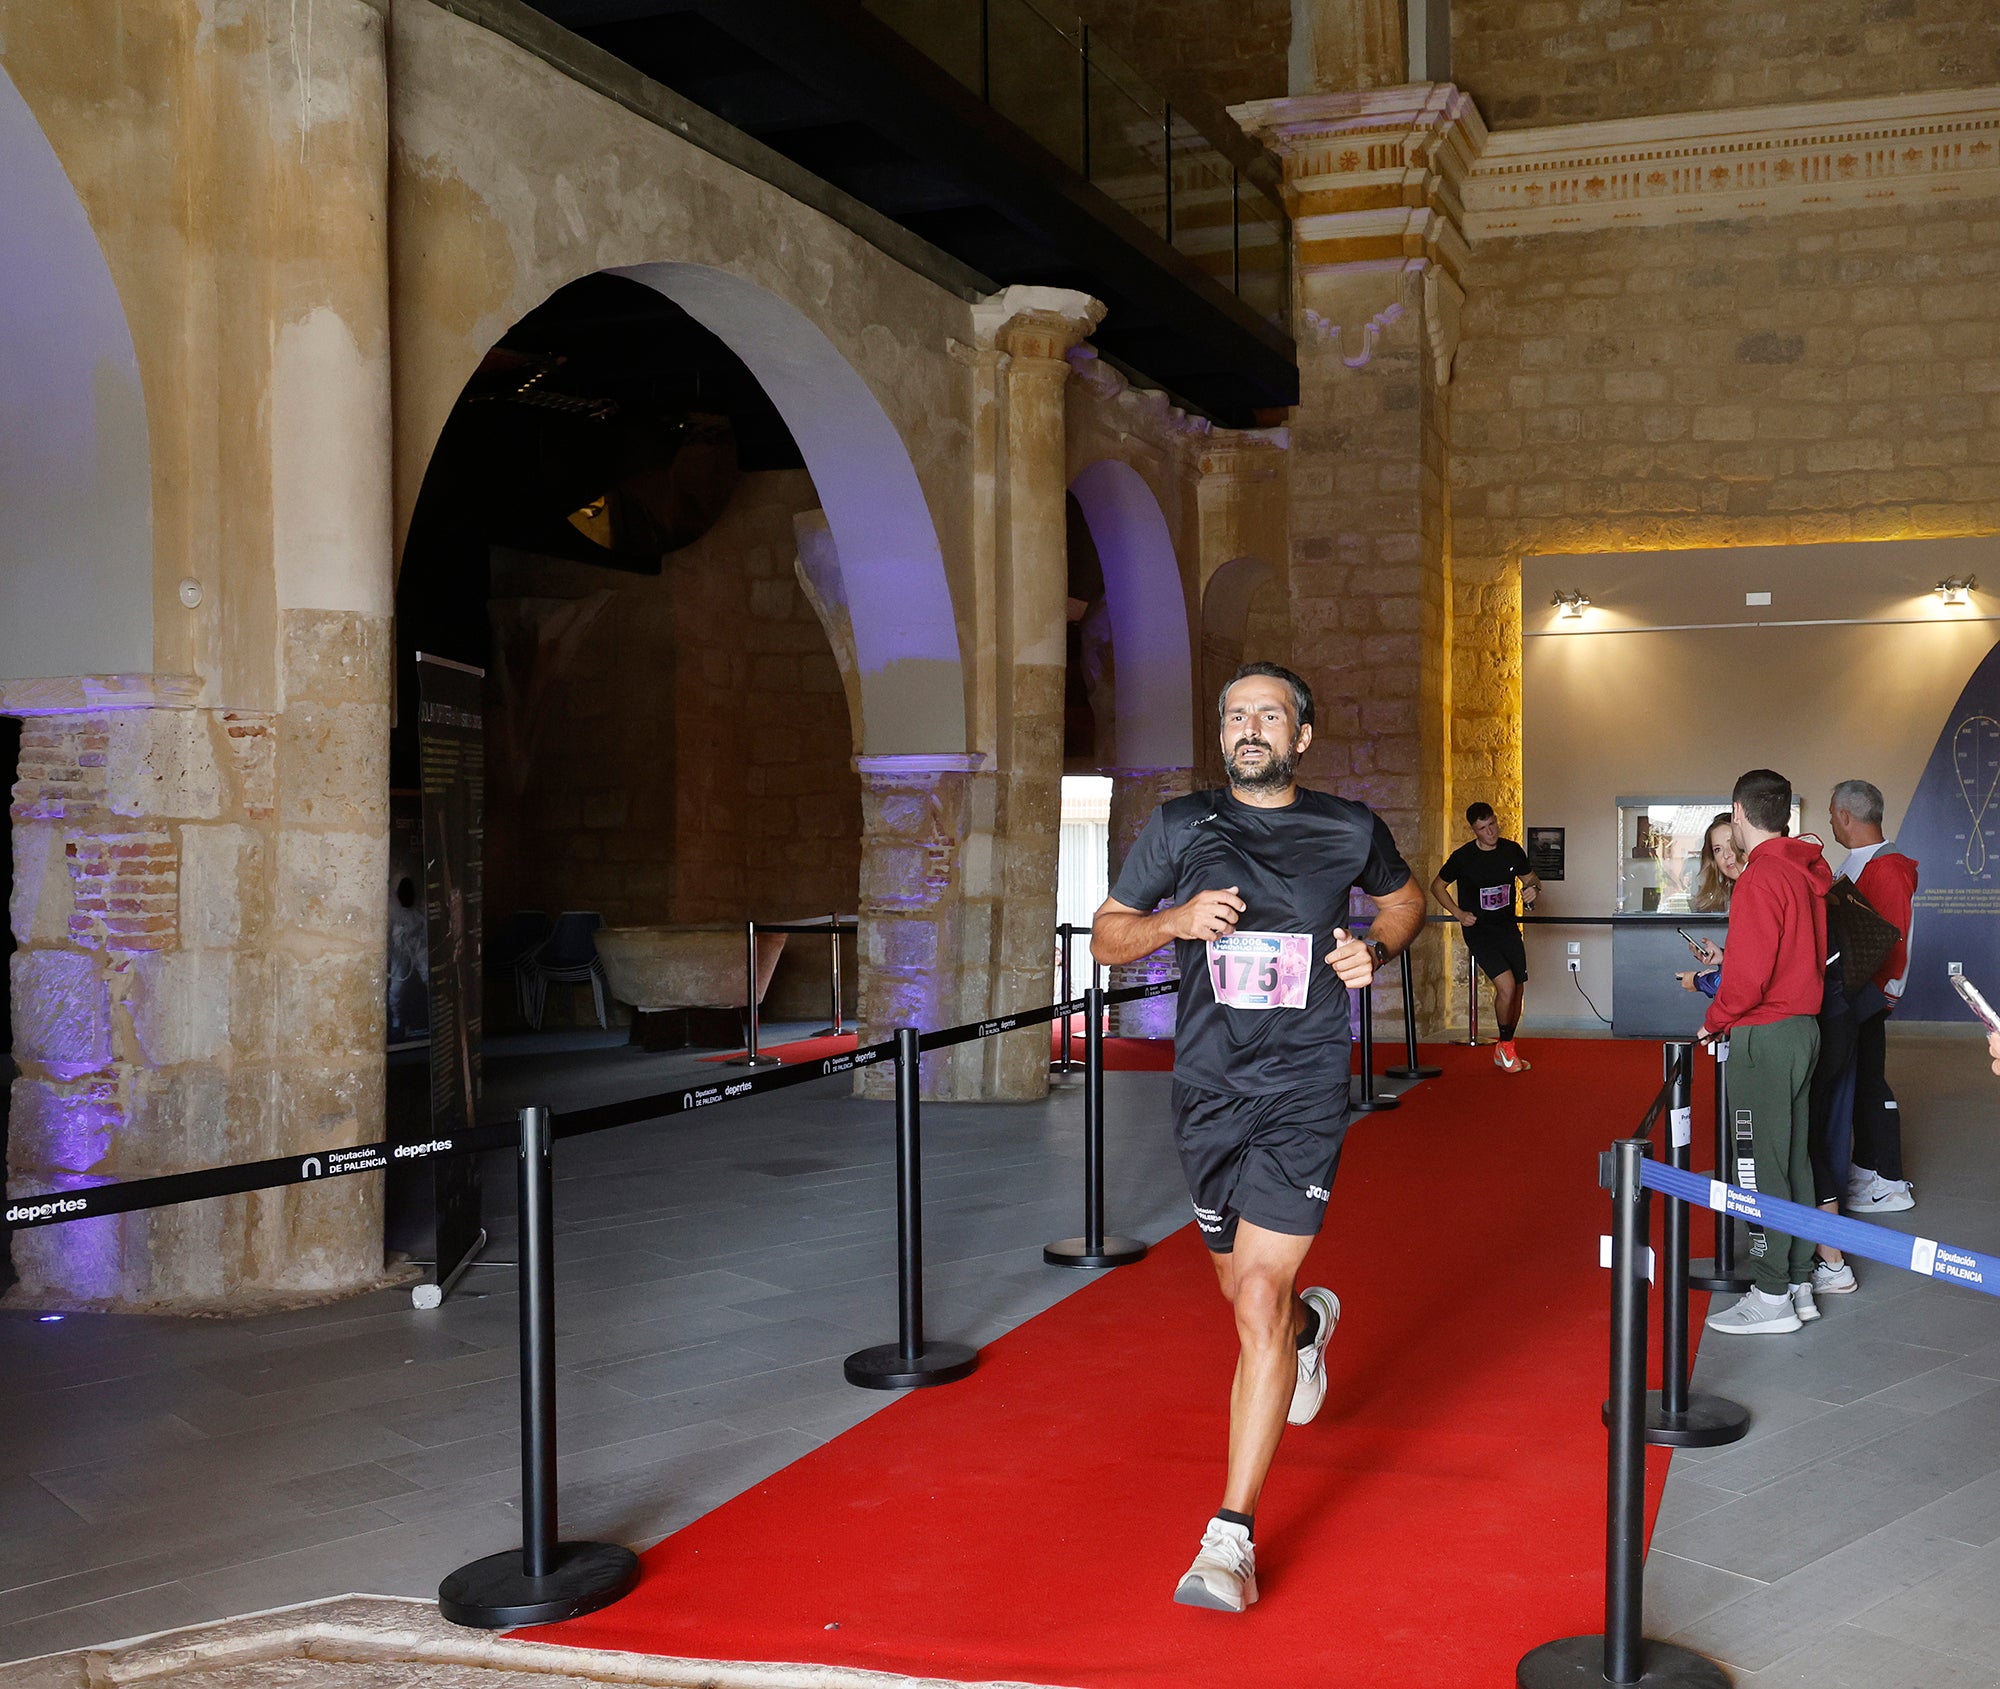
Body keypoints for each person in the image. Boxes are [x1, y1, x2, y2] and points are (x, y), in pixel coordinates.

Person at [1090, 662, 1426, 1613]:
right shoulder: (1177, 825)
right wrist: (1175, 921)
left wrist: (1378, 946)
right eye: (1235, 714)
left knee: (1257, 1298)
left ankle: (1228, 1536)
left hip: (1304, 1087)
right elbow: (1107, 935)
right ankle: (1312, 1329)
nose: (1248, 726)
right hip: (1206, 1091)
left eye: (1269, 714)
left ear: (1301, 736)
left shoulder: (1348, 826)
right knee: (1242, 1290)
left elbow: (1403, 902)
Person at [1701, 768, 1831, 1335]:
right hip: (1804, 1027)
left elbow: (1748, 977)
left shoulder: (1759, 878)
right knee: (1795, 1158)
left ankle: (1772, 1292)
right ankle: (1800, 1279)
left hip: (1765, 1033)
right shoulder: (1804, 871)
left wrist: (1713, 1021)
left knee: (1756, 1164)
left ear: (1738, 812)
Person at [1829, 780, 1919, 1218]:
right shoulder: (1857, 863)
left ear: (1846, 815)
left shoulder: (1888, 867)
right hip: (1852, 991)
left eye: (1831, 814)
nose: (1830, 822)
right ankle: (1865, 1169)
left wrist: (1884, 993)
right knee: (1859, 1081)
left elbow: (1892, 940)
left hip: (1866, 994)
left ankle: (1889, 1180)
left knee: (1871, 1083)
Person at [1432, 803, 1540, 1072]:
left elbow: (1531, 878)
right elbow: (1437, 886)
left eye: (1492, 824)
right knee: (1506, 986)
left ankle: (1506, 1048)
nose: (1490, 832)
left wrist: (1532, 888)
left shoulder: (1512, 850)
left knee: (1518, 989)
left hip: (1508, 928)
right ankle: (1504, 1047)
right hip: (1479, 931)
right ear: (1474, 830)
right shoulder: (1463, 857)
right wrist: (1458, 912)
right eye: (1483, 828)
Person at [1676, 813, 1741, 996]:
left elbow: (1750, 978)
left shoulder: (1754, 891)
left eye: (1731, 844)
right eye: (1718, 849)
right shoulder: (1740, 890)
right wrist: (1724, 957)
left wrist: (1700, 981)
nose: (1727, 855)